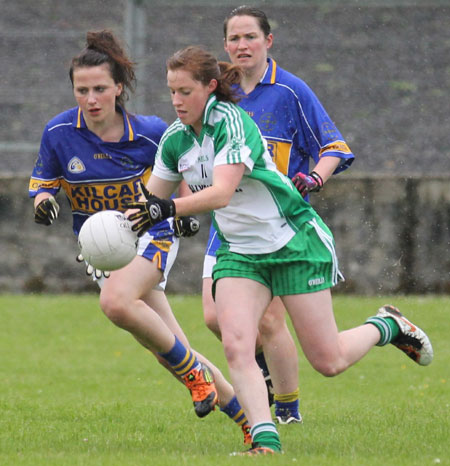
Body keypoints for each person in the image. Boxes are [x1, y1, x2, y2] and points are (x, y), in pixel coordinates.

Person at [126, 45, 433, 456]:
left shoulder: (231, 123)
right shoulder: (175, 140)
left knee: (329, 360)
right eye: (171, 92)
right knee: (237, 344)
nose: (177, 101)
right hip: (240, 253)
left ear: (211, 87)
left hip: (292, 242)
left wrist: (167, 208)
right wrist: (114, 233)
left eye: (185, 91)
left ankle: (388, 326)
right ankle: (265, 440)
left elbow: (221, 193)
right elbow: (151, 201)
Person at [29, 30, 252, 445]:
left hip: (152, 236)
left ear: (118, 87)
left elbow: (180, 172)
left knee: (115, 302)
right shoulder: (58, 132)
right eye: (82, 90)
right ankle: (247, 422)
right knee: (171, 348)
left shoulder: (150, 132)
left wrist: (183, 211)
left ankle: (195, 379)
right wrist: (43, 200)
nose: (91, 98)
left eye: (99, 88)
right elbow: (44, 182)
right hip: (103, 252)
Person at [199, 5, 356, 425]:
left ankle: (285, 410)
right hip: (229, 223)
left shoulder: (290, 91)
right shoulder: (219, 93)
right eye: (234, 38)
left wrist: (315, 180)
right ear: (225, 45)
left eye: (250, 37)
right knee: (215, 316)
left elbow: (334, 147)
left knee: (269, 322)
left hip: (277, 225)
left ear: (268, 41)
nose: (242, 45)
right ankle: (265, 379)